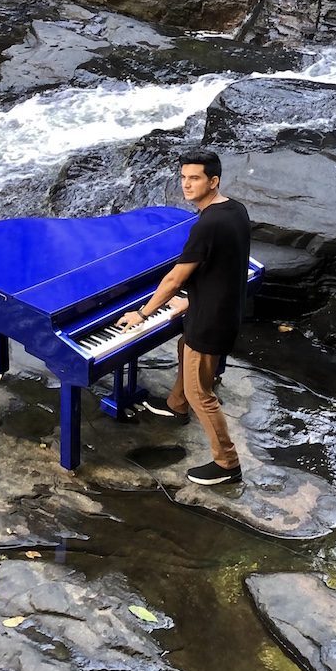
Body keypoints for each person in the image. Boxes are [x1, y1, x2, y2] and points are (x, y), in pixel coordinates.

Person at [117, 148, 251, 485]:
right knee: (182, 348)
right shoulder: (235, 211)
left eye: (195, 178)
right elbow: (224, 270)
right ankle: (176, 405)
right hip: (220, 311)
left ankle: (227, 463)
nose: (186, 185)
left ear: (213, 181)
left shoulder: (206, 225)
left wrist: (143, 313)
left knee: (200, 394)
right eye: (183, 178)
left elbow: (174, 278)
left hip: (211, 323)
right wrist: (190, 303)